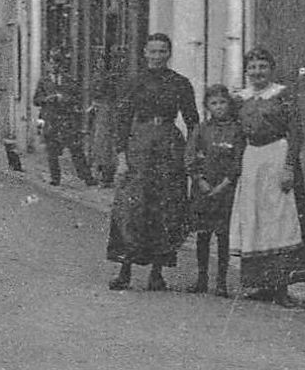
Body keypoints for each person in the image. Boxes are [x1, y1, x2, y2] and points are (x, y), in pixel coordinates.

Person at [105, 33, 198, 292]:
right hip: (140, 146)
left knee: (165, 207)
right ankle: (125, 270)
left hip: (169, 147)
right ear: (145, 53)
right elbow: (122, 121)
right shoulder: (134, 83)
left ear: (169, 54)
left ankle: (157, 273)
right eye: (153, 51)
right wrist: (122, 158)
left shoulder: (180, 83)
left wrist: (190, 154)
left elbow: (193, 122)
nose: (157, 56)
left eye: (162, 51)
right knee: (133, 207)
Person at [228, 47, 305, 303]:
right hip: (252, 159)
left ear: (271, 69)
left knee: (280, 219)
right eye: (253, 67)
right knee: (255, 218)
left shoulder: (282, 95)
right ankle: (259, 283)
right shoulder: (240, 99)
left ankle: (281, 287)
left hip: (277, 155)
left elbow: (296, 133)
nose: (257, 72)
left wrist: (289, 166)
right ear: (246, 71)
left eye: (262, 67)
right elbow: (236, 136)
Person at [184, 84, 243, 296]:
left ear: (229, 104)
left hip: (225, 191)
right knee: (203, 235)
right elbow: (190, 156)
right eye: (214, 103)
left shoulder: (236, 130)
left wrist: (225, 184)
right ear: (207, 106)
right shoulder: (201, 129)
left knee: (223, 236)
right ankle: (202, 278)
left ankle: (221, 282)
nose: (219, 107)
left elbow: (238, 161)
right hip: (203, 189)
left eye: (222, 102)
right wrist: (199, 180)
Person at [33, 50, 95, 187]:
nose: (55, 66)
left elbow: (78, 98)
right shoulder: (43, 81)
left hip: (67, 119)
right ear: (48, 64)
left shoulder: (69, 80)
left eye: (58, 63)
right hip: (50, 119)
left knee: (76, 149)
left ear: (61, 65)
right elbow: (36, 100)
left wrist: (65, 99)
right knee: (52, 151)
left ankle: (87, 177)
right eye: (52, 62)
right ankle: (55, 179)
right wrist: (48, 99)